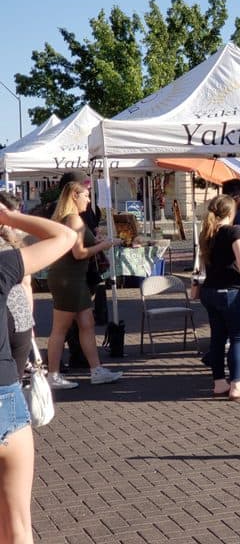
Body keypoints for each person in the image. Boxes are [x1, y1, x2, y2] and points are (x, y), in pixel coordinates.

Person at [0, 198, 77, 544]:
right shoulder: (4, 267)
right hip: (7, 402)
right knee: (18, 525)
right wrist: (9, 216)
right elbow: (64, 236)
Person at [45, 182, 124, 389]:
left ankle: (96, 370)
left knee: (87, 324)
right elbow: (78, 253)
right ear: (74, 195)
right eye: (86, 195)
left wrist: (96, 240)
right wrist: (103, 245)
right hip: (68, 278)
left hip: (72, 278)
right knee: (60, 329)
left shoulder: (70, 219)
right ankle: (52, 375)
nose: (89, 200)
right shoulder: (73, 219)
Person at [198, 195, 240, 401]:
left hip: (210, 290)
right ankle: (236, 385)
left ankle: (219, 382)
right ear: (231, 212)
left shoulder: (207, 233)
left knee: (217, 337)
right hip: (231, 290)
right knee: (238, 338)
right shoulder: (235, 231)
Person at [0, 193, 36, 378]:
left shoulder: (16, 245)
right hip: (18, 318)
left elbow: (27, 285)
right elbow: (63, 236)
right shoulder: (15, 247)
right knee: (15, 381)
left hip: (18, 318)